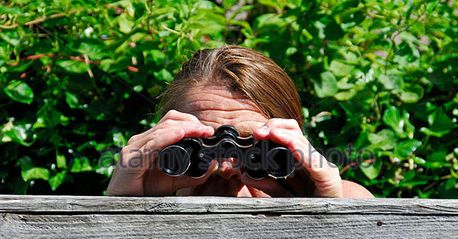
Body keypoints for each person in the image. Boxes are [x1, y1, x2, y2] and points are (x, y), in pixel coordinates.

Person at [106, 45, 374, 198]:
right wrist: (123, 206)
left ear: (291, 148)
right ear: (166, 142)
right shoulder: (146, 192)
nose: (225, 168)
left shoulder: (335, 195)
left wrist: (326, 207)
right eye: (199, 145)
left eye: (256, 149)